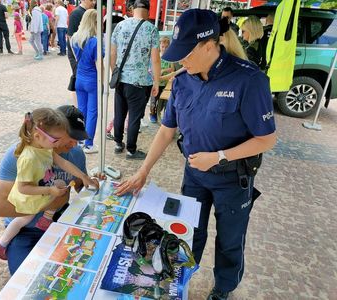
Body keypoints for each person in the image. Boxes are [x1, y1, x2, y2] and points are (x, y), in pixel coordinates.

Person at [115, 9, 276, 300]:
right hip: (194, 175)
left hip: (232, 177)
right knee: (188, 231)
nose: (180, 60)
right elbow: (167, 131)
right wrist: (143, 172)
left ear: (210, 46)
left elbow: (266, 138)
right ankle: (183, 279)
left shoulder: (248, 80)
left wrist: (219, 157)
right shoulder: (182, 81)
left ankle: (223, 289)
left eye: (186, 53)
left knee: (230, 239)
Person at [0, 107, 99, 266]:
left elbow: (81, 187)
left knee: (86, 261)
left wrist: (92, 181)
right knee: (27, 276)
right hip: (25, 229)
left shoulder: (74, 154)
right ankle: (2, 245)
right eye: (71, 137)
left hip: (59, 218)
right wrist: (47, 204)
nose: (75, 144)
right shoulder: (20, 155)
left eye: (79, 139)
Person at [110, 0, 160, 160]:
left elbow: (112, 53)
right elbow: (155, 59)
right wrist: (157, 81)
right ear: (148, 10)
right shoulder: (151, 29)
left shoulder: (120, 26)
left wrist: (114, 72)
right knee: (134, 117)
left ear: (133, 9)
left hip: (120, 79)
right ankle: (131, 150)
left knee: (119, 113)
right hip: (139, 82)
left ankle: (118, 143)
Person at [70, 10, 102, 154]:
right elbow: (99, 65)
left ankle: (80, 140)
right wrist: (102, 82)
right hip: (92, 80)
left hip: (79, 79)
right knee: (92, 112)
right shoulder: (95, 41)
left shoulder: (75, 38)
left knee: (81, 112)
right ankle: (88, 144)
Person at [149, 36, 174, 124]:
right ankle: (152, 115)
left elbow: (172, 69)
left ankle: (162, 116)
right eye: (162, 46)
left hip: (165, 83)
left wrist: (163, 70)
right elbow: (151, 68)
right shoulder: (156, 56)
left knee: (162, 101)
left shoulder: (169, 57)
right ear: (159, 46)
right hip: (155, 82)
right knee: (153, 101)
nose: (164, 49)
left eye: (166, 47)